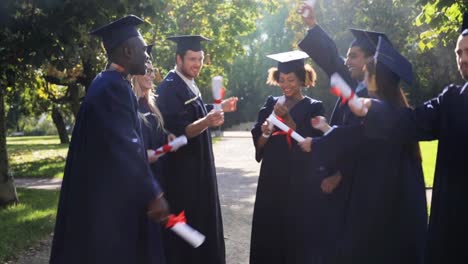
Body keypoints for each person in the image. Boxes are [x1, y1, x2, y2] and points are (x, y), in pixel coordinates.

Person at [348, 13, 468, 264]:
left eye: (467, 51)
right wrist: (373, 108)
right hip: (458, 217)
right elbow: (413, 122)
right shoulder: (453, 100)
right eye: (458, 53)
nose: (463, 59)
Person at [49, 15, 169, 264]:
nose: (148, 58)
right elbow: (127, 146)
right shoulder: (113, 89)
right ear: (127, 51)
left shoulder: (108, 84)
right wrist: (153, 193)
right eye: (144, 50)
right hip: (102, 205)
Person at [299, 36, 427, 263]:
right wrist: (327, 131)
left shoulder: (381, 116)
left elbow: (354, 139)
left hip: (376, 208)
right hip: (389, 210)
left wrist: (316, 143)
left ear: (375, 80)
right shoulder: (397, 114)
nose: (363, 83)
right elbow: (353, 137)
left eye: (368, 76)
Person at [155, 35, 238, 264]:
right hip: (183, 175)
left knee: (203, 222)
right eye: (192, 59)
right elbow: (182, 130)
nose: (197, 64)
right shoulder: (170, 88)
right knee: (188, 229)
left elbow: (194, 113)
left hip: (199, 168)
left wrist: (218, 108)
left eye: (200, 59)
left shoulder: (187, 83)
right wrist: (207, 121)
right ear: (178, 58)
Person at [250, 50, 328, 264]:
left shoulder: (314, 107)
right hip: (272, 180)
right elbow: (259, 146)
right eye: (282, 80)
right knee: (269, 235)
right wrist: (266, 131)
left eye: (291, 80)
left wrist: (287, 118)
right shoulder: (270, 103)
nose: (286, 85)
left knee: (295, 238)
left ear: (302, 79)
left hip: (299, 182)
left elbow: (312, 145)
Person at [133, 44, 175, 186]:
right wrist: (144, 155)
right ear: (136, 73)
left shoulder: (151, 104)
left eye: (153, 71)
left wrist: (166, 135)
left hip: (159, 174)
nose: (152, 75)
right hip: (142, 179)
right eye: (147, 71)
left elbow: (154, 132)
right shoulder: (131, 105)